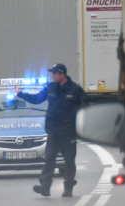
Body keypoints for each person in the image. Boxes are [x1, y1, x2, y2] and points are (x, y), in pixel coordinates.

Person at [15, 63, 85, 197]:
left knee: (69, 160)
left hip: (68, 131)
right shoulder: (50, 88)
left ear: (62, 74)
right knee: (49, 158)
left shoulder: (75, 90)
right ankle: (45, 186)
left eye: (55, 73)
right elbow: (37, 99)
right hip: (53, 130)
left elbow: (85, 107)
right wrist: (21, 94)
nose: (53, 76)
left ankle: (68, 186)